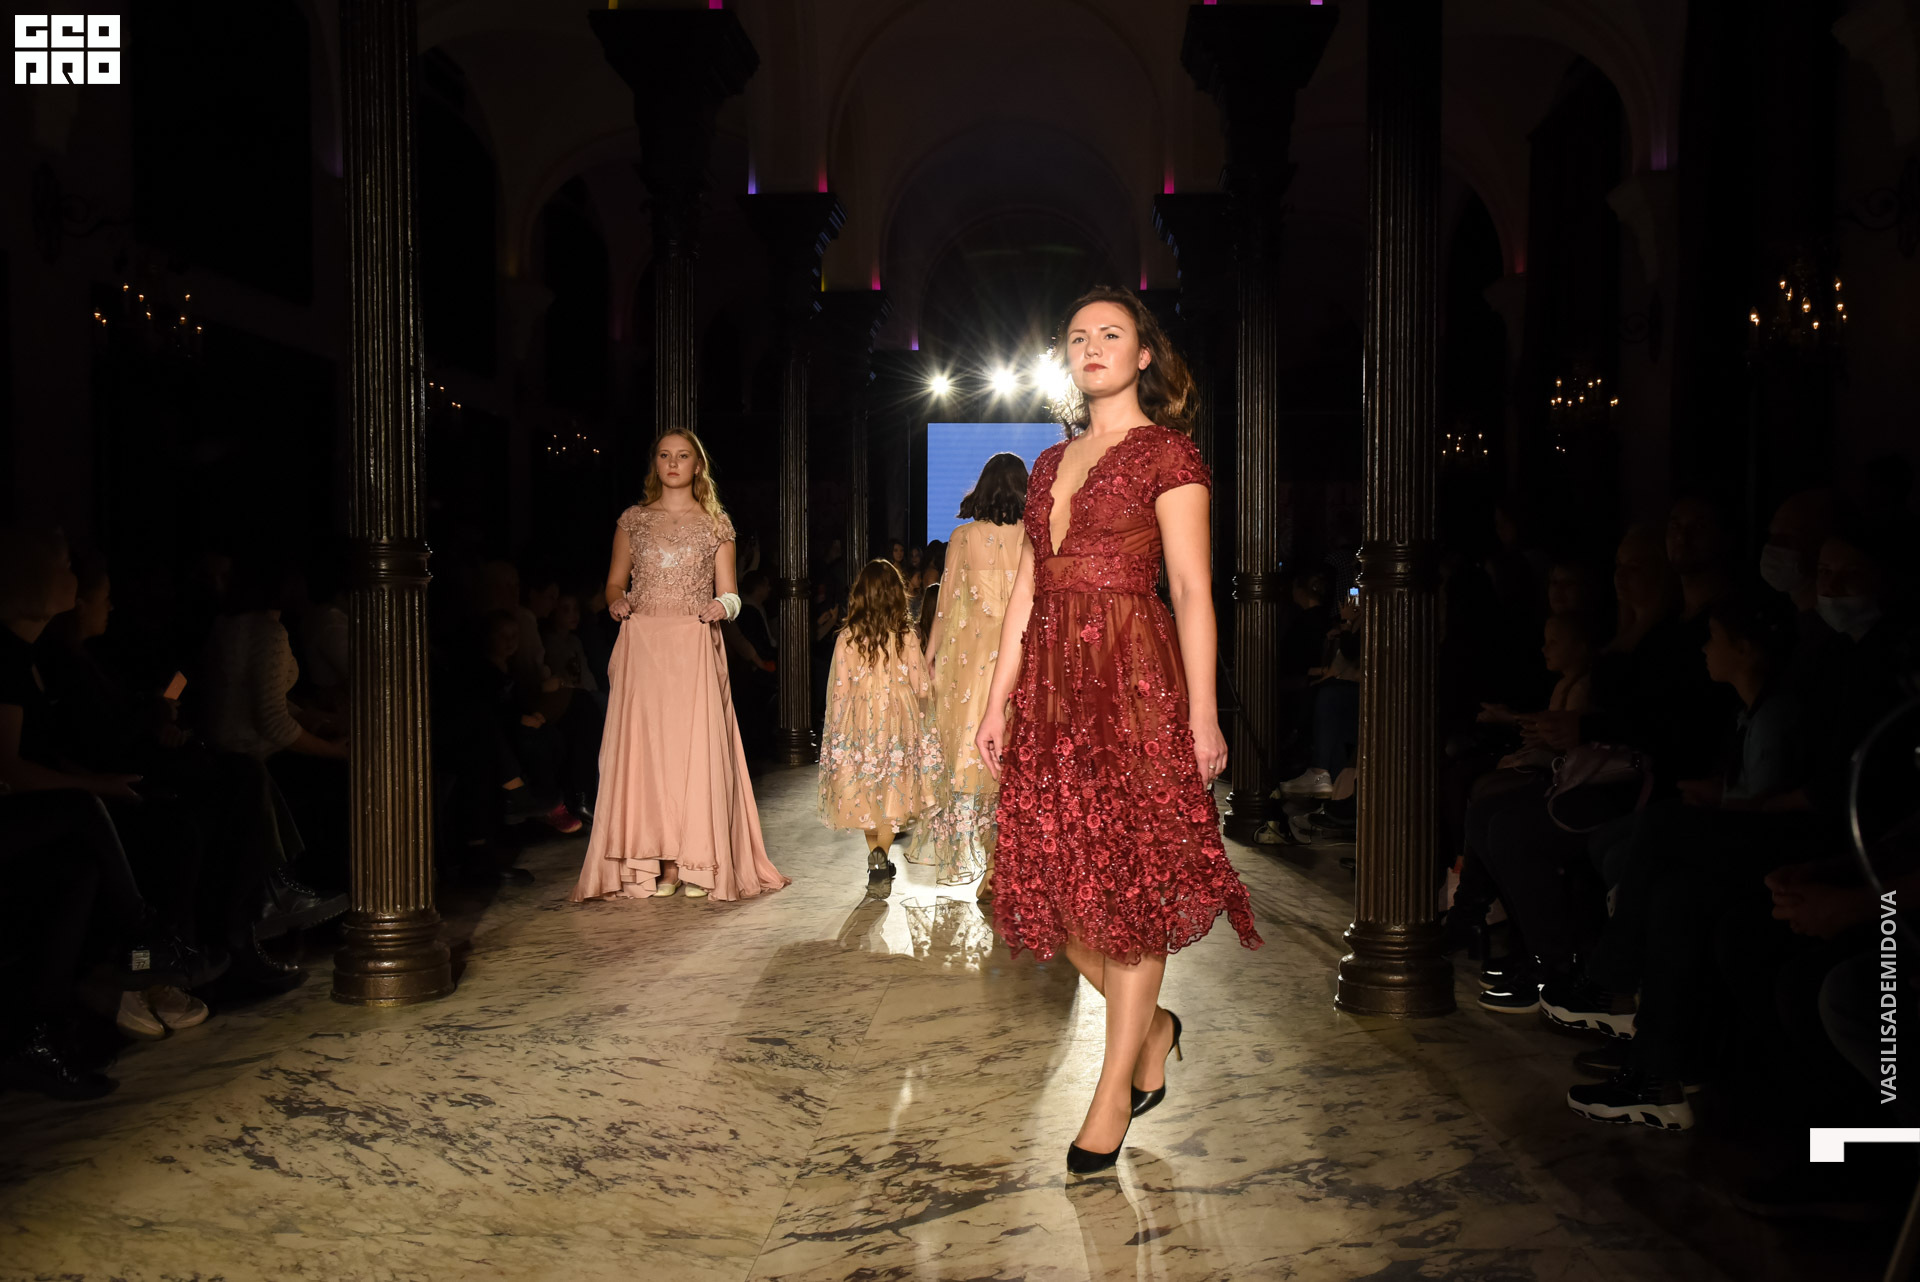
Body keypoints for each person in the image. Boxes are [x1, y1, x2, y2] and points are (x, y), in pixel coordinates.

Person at [975, 286, 1260, 1176]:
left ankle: (1110, 1098)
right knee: (1053, 888)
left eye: (1111, 334)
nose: (1091, 346)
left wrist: (1203, 715)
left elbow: (1192, 592)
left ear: (1143, 355)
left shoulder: (1168, 453)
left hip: (1135, 688)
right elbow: (1028, 589)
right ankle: (1156, 1028)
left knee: (1130, 892)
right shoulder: (1049, 461)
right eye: (1077, 337)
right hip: (1052, 693)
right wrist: (996, 699)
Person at [572, 430, 788, 903]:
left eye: (683, 455)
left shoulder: (716, 525)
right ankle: (661, 861)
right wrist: (618, 601)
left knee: (692, 750)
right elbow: (613, 584)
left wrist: (722, 606)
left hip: (692, 644)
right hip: (645, 646)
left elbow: (731, 594)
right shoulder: (633, 520)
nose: (673, 463)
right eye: (665, 455)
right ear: (656, 463)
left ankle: (696, 861)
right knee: (648, 753)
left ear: (697, 465)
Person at [906, 453, 1029, 891]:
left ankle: (994, 869)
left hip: (973, 664)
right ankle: (1004, 864)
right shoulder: (1034, 535)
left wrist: (929, 655)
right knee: (1018, 761)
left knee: (978, 766)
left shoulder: (963, 537)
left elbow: (945, 605)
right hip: (1023, 656)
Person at [817, 560, 941, 882]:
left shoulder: (847, 637)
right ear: (896, 595)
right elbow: (921, 686)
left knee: (868, 790)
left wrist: (839, 732)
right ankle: (881, 856)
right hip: (899, 720)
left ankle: (877, 859)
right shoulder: (905, 636)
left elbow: (839, 691)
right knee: (894, 791)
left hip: (860, 720)